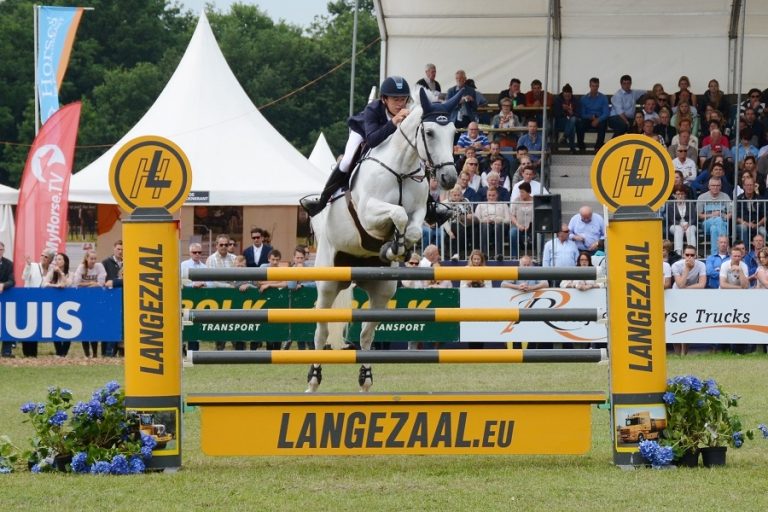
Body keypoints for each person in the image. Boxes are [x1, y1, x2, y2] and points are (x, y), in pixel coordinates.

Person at [302, 76, 454, 226]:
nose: (401, 104)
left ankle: (430, 207)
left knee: (416, 161)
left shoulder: (408, 112)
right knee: (347, 160)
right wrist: (394, 122)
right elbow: (373, 140)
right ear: (384, 99)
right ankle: (322, 200)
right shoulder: (372, 109)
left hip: (386, 137)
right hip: (364, 133)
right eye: (396, 99)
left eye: (403, 99)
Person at [21, 248, 56, 357]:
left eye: (46, 257)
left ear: (50, 259)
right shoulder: (33, 266)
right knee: (28, 326)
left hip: (44, 303)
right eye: (42, 255)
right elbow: (24, 277)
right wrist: (27, 265)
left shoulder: (53, 270)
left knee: (36, 328)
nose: (43, 258)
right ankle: (27, 353)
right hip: (30, 300)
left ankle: (33, 353)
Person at [74, 250, 106, 358]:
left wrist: (87, 285)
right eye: (91, 258)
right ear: (86, 259)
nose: (93, 261)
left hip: (96, 301)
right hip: (83, 301)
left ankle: (95, 354)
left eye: (94, 258)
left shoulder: (99, 266)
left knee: (94, 327)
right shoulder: (81, 268)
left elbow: (101, 283)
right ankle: (87, 354)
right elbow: (77, 283)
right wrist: (91, 283)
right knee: (84, 327)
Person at [41, 252, 73, 357]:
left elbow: (67, 284)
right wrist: (55, 285)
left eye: (60, 259)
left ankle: (64, 352)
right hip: (54, 302)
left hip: (67, 303)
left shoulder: (70, 273)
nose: (57, 261)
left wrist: (61, 273)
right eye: (56, 259)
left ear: (65, 262)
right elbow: (44, 284)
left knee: (68, 327)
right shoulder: (51, 272)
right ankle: (59, 352)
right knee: (55, 327)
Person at [180, 242, 208, 353]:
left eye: (199, 252)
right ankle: (182, 349)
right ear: (190, 253)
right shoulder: (184, 265)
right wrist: (193, 285)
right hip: (186, 298)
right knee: (184, 323)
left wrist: (204, 284)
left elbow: (209, 283)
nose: (197, 254)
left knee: (195, 322)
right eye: (194, 252)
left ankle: (194, 350)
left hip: (199, 299)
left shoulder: (204, 267)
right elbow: (179, 281)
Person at [696, 177, 732, 254]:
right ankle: (726, 247)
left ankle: (714, 254)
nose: (715, 187)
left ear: (720, 186)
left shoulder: (725, 196)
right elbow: (699, 215)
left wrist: (726, 216)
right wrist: (711, 215)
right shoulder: (702, 197)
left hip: (722, 223)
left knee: (714, 229)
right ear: (709, 187)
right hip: (706, 223)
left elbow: (730, 213)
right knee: (718, 220)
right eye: (713, 185)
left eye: (717, 185)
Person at [475, 187, 511, 259]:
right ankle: (484, 254)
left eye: (493, 195)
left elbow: (508, 219)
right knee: (485, 226)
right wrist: (483, 220)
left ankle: (499, 254)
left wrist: (500, 220)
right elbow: (476, 219)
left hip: (500, 224)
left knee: (497, 226)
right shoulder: (480, 205)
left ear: (497, 195)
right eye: (489, 195)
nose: (491, 197)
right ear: (487, 195)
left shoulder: (503, 204)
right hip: (485, 224)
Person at [577, 77, 609, 152]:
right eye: (593, 86)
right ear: (590, 86)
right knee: (579, 124)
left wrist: (598, 120)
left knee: (603, 123)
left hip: (599, 118)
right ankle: (581, 146)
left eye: (596, 86)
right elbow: (582, 114)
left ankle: (598, 146)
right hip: (588, 118)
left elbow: (606, 113)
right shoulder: (584, 99)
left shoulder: (603, 98)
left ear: (598, 86)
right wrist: (590, 117)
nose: (595, 88)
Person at [443, 185, 474, 260]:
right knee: (459, 227)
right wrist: (449, 231)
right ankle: (456, 253)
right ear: (450, 194)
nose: (457, 197)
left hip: (466, 222)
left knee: (476, 228)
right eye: (454, 195)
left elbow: (471, 212)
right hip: (451, 224)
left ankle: (474, 253)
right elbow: (443, 219)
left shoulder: (465, 200)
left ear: (461, 194)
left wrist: (470, 216)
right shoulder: (445, 203)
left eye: (458, 195)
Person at [666, 185, 697, 255]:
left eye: (682, 194)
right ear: (674, 195)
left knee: (690, 229)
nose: (680, 196)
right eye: (678, 194)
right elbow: (671, 219)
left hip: (689, 224)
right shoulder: (671, 205)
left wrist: (688, 224)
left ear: (685, 195)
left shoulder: (690, 204)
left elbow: (693, 218)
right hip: (675, 225)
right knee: (678, 229)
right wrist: (680, 224)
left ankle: (692, 252)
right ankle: (678, 252)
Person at [509, 182, 535, 259]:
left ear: (529, 192)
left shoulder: (535, 201)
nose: (521, 194)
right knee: (512, 233)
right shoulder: (516, 200)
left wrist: (530, 224)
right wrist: (517, 224)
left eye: (523, 192)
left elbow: (538, 215)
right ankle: (514, 256)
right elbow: (512, 215)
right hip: (518, 226)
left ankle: (540, 255)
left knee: (541, 233)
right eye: (520, 192)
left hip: (532, 226)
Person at [553, 83, 581, 153]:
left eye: (569, 96)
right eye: (565, 96)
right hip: (561, 121)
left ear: (571, 94)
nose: (567, 97)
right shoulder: (558, 100)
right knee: (572, 126)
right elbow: (556, 114)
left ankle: (565, 137)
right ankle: (572, 148)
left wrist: (571, 113)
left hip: (572, 121)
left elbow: (578, 114)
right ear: (563, 94)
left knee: (573, 121)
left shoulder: (575, 100)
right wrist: (564, 110)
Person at [0, 242, 16, 358]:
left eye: (1, 249)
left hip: (5, 299)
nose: (0, 251)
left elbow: (12, 281)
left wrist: (3, 285)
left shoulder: (9, 264)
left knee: (7, 324)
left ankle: (6, 351)